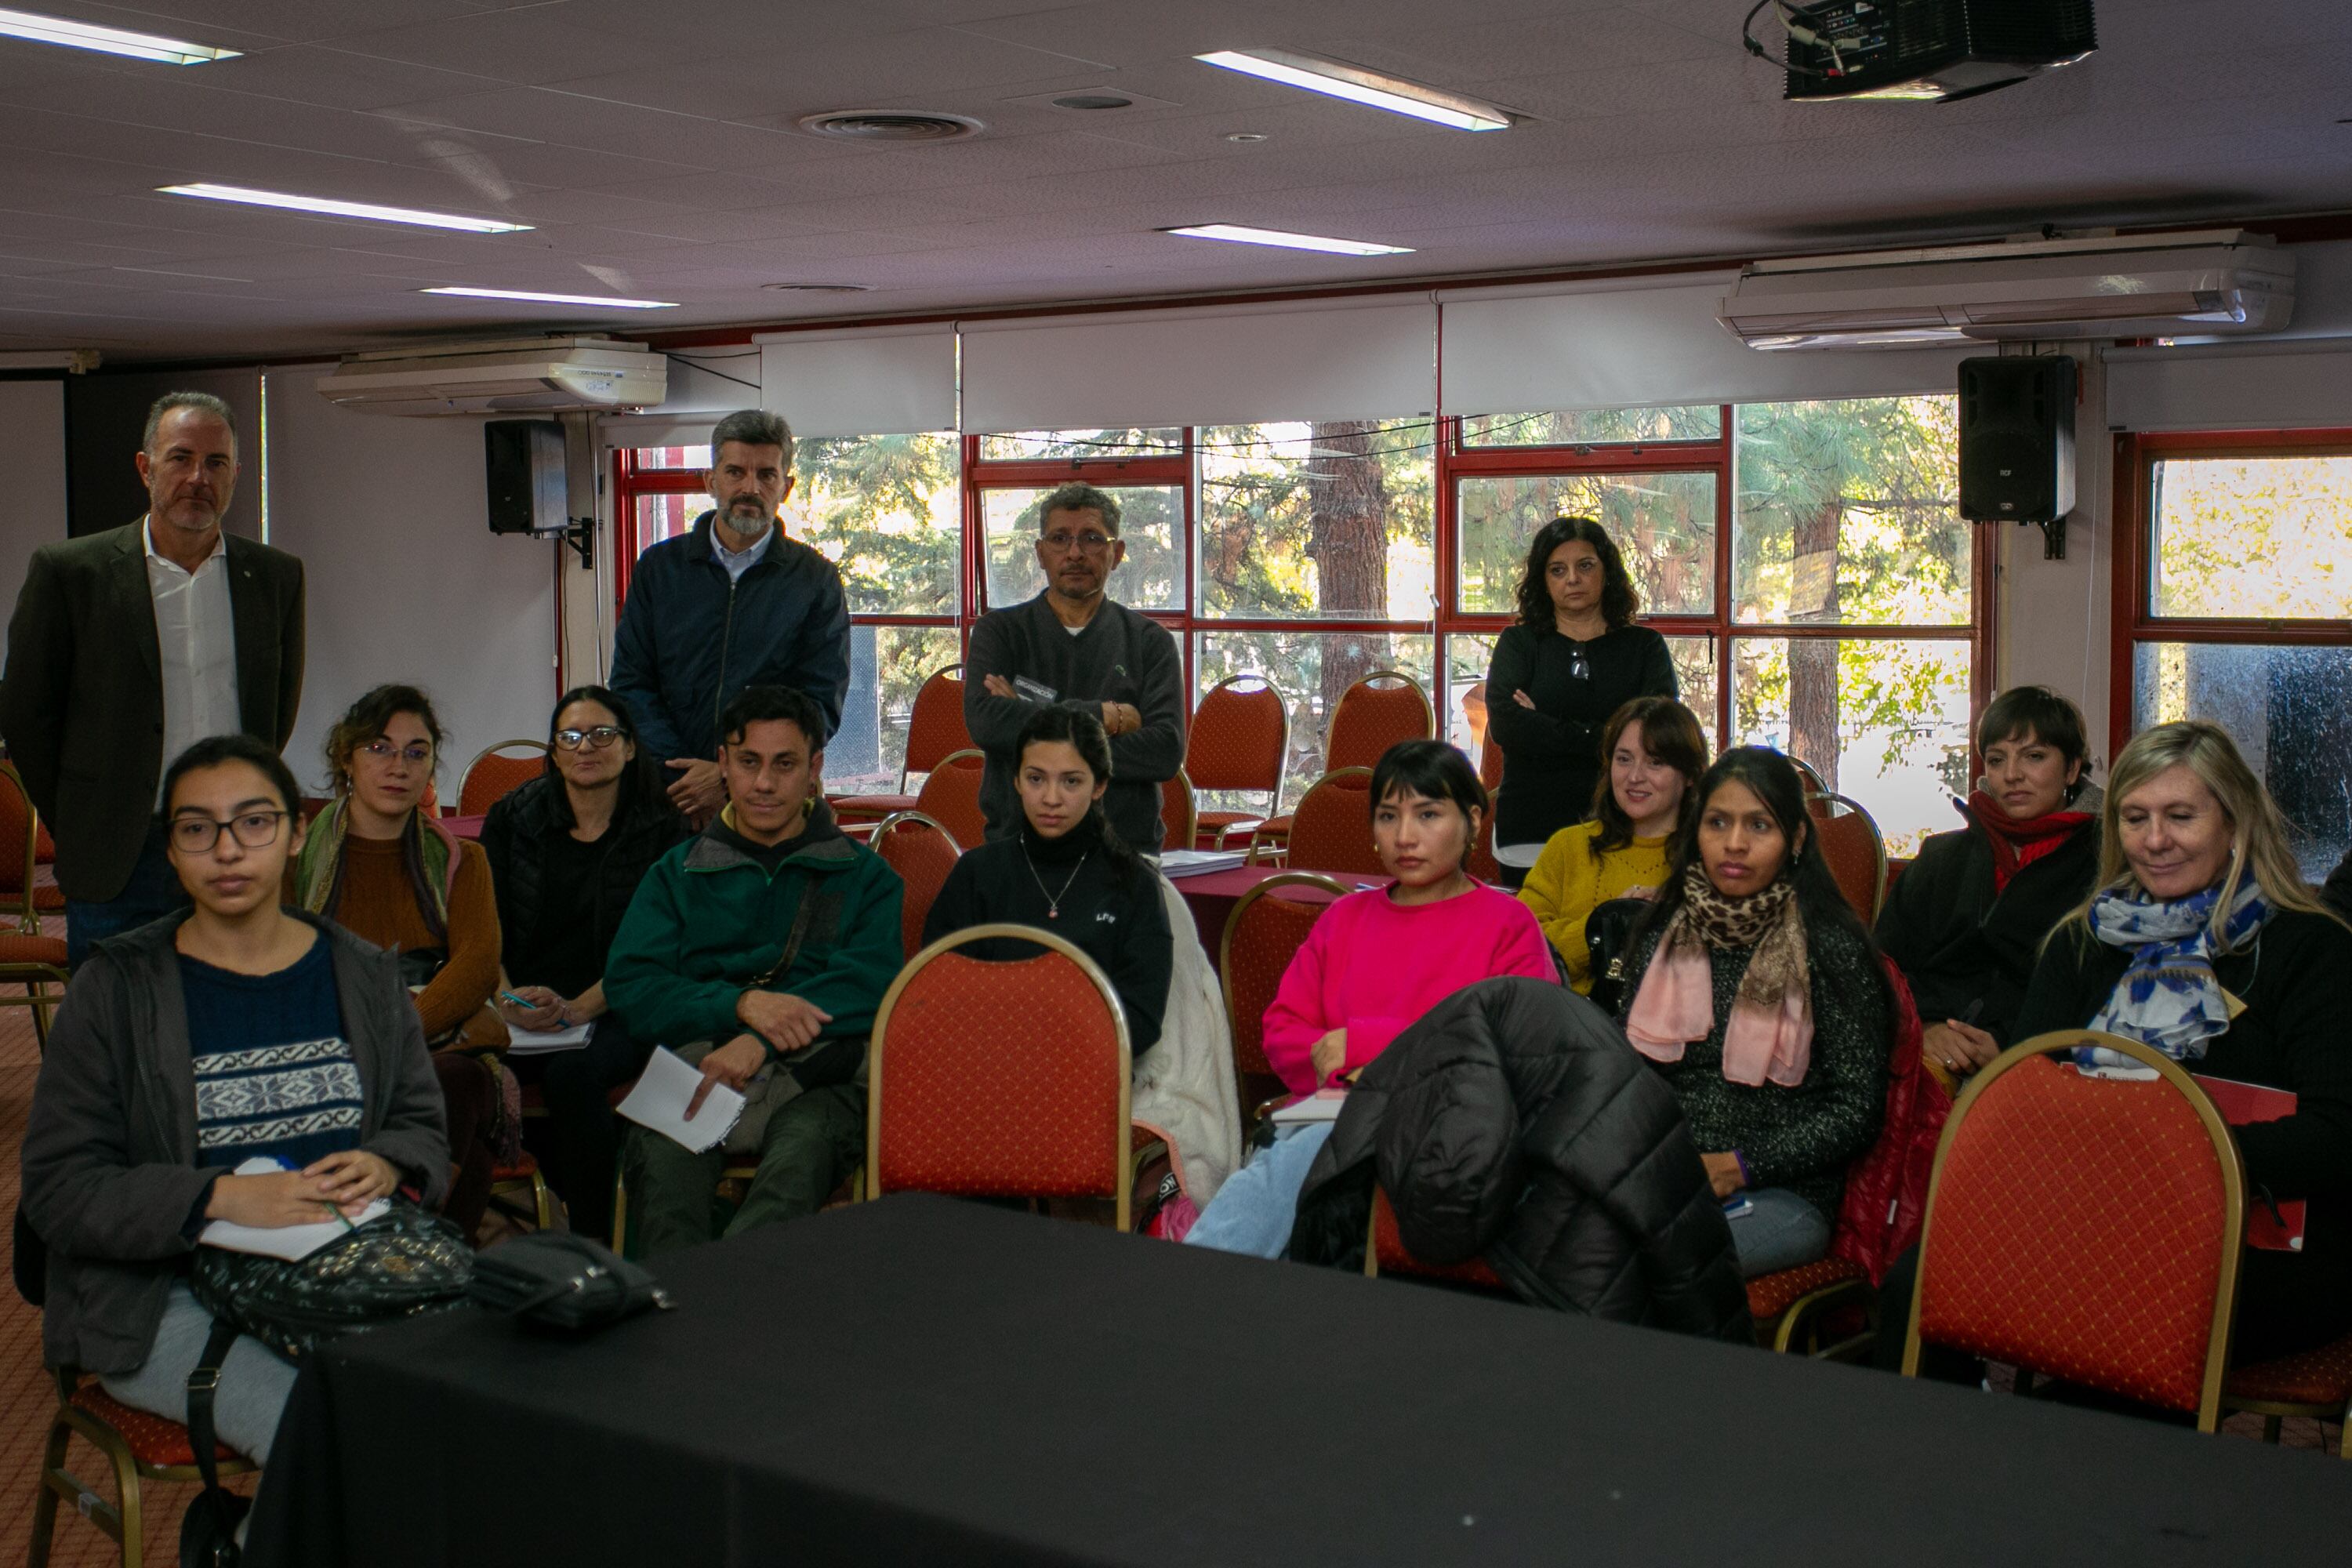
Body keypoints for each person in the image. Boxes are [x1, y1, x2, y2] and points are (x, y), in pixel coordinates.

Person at [20, 734, 446, 1501]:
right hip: (166, 1297)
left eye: (253, 822)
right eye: (196, 828)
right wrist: (215, 1198)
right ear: (173, 854)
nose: (226, 849)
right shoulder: (116, 990)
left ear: (294, 833)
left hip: (343, 1277)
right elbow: (59, 1187)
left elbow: (420, 1124)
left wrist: (386, 1160)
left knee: (479, 1418)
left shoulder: (362, 973)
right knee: (331, 1440)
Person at [2005, 720, 2352, 1366]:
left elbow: (2338, 1136)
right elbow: (2018, 1096)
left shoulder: (2312, 949)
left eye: (2180, 816)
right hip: (2092, 1223)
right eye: (2135, 818)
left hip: (2261, 1244)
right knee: (1923, 1272)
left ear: (2234, 822)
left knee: (2128, 1309)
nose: (2155, 840)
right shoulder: (2082, 943)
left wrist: (2165, 1157)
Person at [1185, 740, 1553, 1258]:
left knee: (1307, 1159)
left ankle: (1197, 1277)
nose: (1405, 837)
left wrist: (1362, 1048)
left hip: (1451, 1127)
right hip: (1325, 1115)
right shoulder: (1345, 920)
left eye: (1428, 815)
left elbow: (1520, 1052)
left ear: (1472, 820)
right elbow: (1285, 1034)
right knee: (1308, 1157)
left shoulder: (1508, 925)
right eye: (1388, 816)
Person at [0, 390, 306, 967]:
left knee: (226, 1020)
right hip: (120, 851)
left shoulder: (273, 578)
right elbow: (26, 716)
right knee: (117, 1032)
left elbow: (275, 711)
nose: (198, 478)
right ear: (146, 468)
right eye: (180, 458)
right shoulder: (72, 573)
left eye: (216, 463)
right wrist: (83, 816)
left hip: (231, 844)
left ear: (236, 474)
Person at [606, 684, 902, 1257]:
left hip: (821, 1078)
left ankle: (735, 1323)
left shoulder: (866, 877)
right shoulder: (676, 873)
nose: (764, 784)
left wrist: (761, 1039)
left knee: (793, 1173)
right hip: (697, 1067)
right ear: (723, 765)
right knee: (664, 1189)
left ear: (815, 768)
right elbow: (632, 986)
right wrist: (739, 1006)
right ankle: (676, 1330)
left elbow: (874, 985)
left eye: (784, 764)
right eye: (748, 763)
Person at [1617, 746, 1891, 1279]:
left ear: (1796, 839)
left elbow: (1858, 1110)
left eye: (1759, 826)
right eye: (1717, 823)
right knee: (1556, 1237)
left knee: (1662, 1263)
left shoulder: (1829, 946)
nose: (1734, 844)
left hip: (1782, 1195)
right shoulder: (1662, 934)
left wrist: (1740, 1166)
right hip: (1669, 1178)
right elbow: (1627, 1073)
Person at [288, 684, 504, 1240]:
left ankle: (392, 1251)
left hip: (430, 1040)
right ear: (346, 758)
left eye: (417, 751)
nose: (398, 766)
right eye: (380, 749)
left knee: (454, 1082)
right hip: (328, 1042)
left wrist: (391, 1037)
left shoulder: (463, 860)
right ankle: (418, 1265)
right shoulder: (295, 857)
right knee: (472, 1159)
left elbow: (477, 966)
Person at [480, 686, 688, 1242]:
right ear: (552, 752)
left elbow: (659, 945)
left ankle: (594, 1245)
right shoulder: (513, 818)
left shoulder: (661, 827)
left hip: (621, 1003)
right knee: (467, 1071)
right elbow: (485, 927)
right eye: (570, 737)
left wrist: (578, 1010)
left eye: (602, 735)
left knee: (571, 1075)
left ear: (628, 748)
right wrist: (506, 999)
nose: (585, 747)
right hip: (520, 1008)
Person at [609, 409, 851, 829]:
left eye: (766, 475)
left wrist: (727, 773)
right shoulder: (659, 569)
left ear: (786, 486)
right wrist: (686, 775)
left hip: (766, 801)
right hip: (666, 797)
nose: (750, 488)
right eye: (735, 471)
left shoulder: (815, 581)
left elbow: (818, 701)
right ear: (711, 481)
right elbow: (632, 684)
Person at [1875, 685, 2102, 1078]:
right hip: (1922, 1060)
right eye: (1997, 760)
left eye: (2034, 757)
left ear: (2072, 768)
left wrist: (2013, 1050)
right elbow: (1880, 968)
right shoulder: (1942, 858)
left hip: (2044, 1074)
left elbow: (2099, 996)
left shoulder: (2104, 866)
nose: (2012, 775)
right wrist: (1922, 1029)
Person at [923, 704, 1173, 1058]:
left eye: (1071, 781)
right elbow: (935, 990)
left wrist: (1047, 1044)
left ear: (1099, 785)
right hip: (980, 1067)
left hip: (1088, 1073)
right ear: (1016, 780)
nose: (1051, 799)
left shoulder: (1134, 883)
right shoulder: (976, 873)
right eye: (1036, 779)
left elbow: (1142, 1020)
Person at [964, 481, 1184, 853]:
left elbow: (1164, 752)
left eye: (1093, 539)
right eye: (1060, 539)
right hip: (1017, 849)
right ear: (1040, 552)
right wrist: (1104, 716)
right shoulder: (999, 632)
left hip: (1124, 853)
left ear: (1117, 553)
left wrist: (1029, 716)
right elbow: (986, 722)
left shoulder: (1150, 642)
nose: (1076, 553)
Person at [1483, 517, 1676, 890]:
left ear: (1607, 572)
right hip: (1532, 826)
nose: (1572, 578)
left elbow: (1657, 733)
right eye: (1558, 570)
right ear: (1544, 580)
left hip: (1628, 823)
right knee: (1537, 945)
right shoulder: (1519, 644)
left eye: (1585, 566)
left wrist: (1544, 725)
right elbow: (1507, 726)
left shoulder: (1645, 647)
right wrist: (1611, 735)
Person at [1519, 695, 1708, 991]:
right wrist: (1602, 924)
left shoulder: (1710, 856)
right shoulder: (1568, 846)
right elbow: (1522, 946)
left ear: (1691, 775)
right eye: (1624, 759)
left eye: (1655, 762)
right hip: (1566, 1025)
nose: (1634, 776)